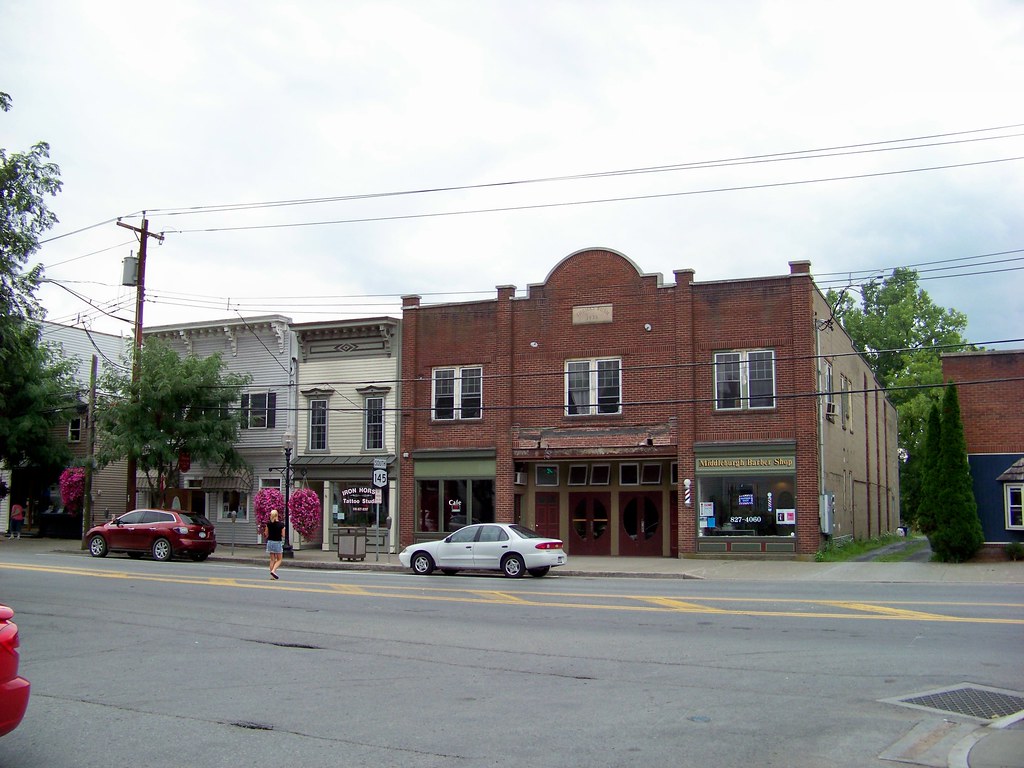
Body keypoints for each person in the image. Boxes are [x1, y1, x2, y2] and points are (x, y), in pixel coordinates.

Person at [263, 509, 285, 579]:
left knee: (272, 559)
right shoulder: (281, 525)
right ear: (277, 515)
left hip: (270, 542)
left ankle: (272, 576)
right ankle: (273, 570)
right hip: (277, 542)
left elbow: (266, 534)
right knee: (279, 559)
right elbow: (283, 535)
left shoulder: (268, 524)